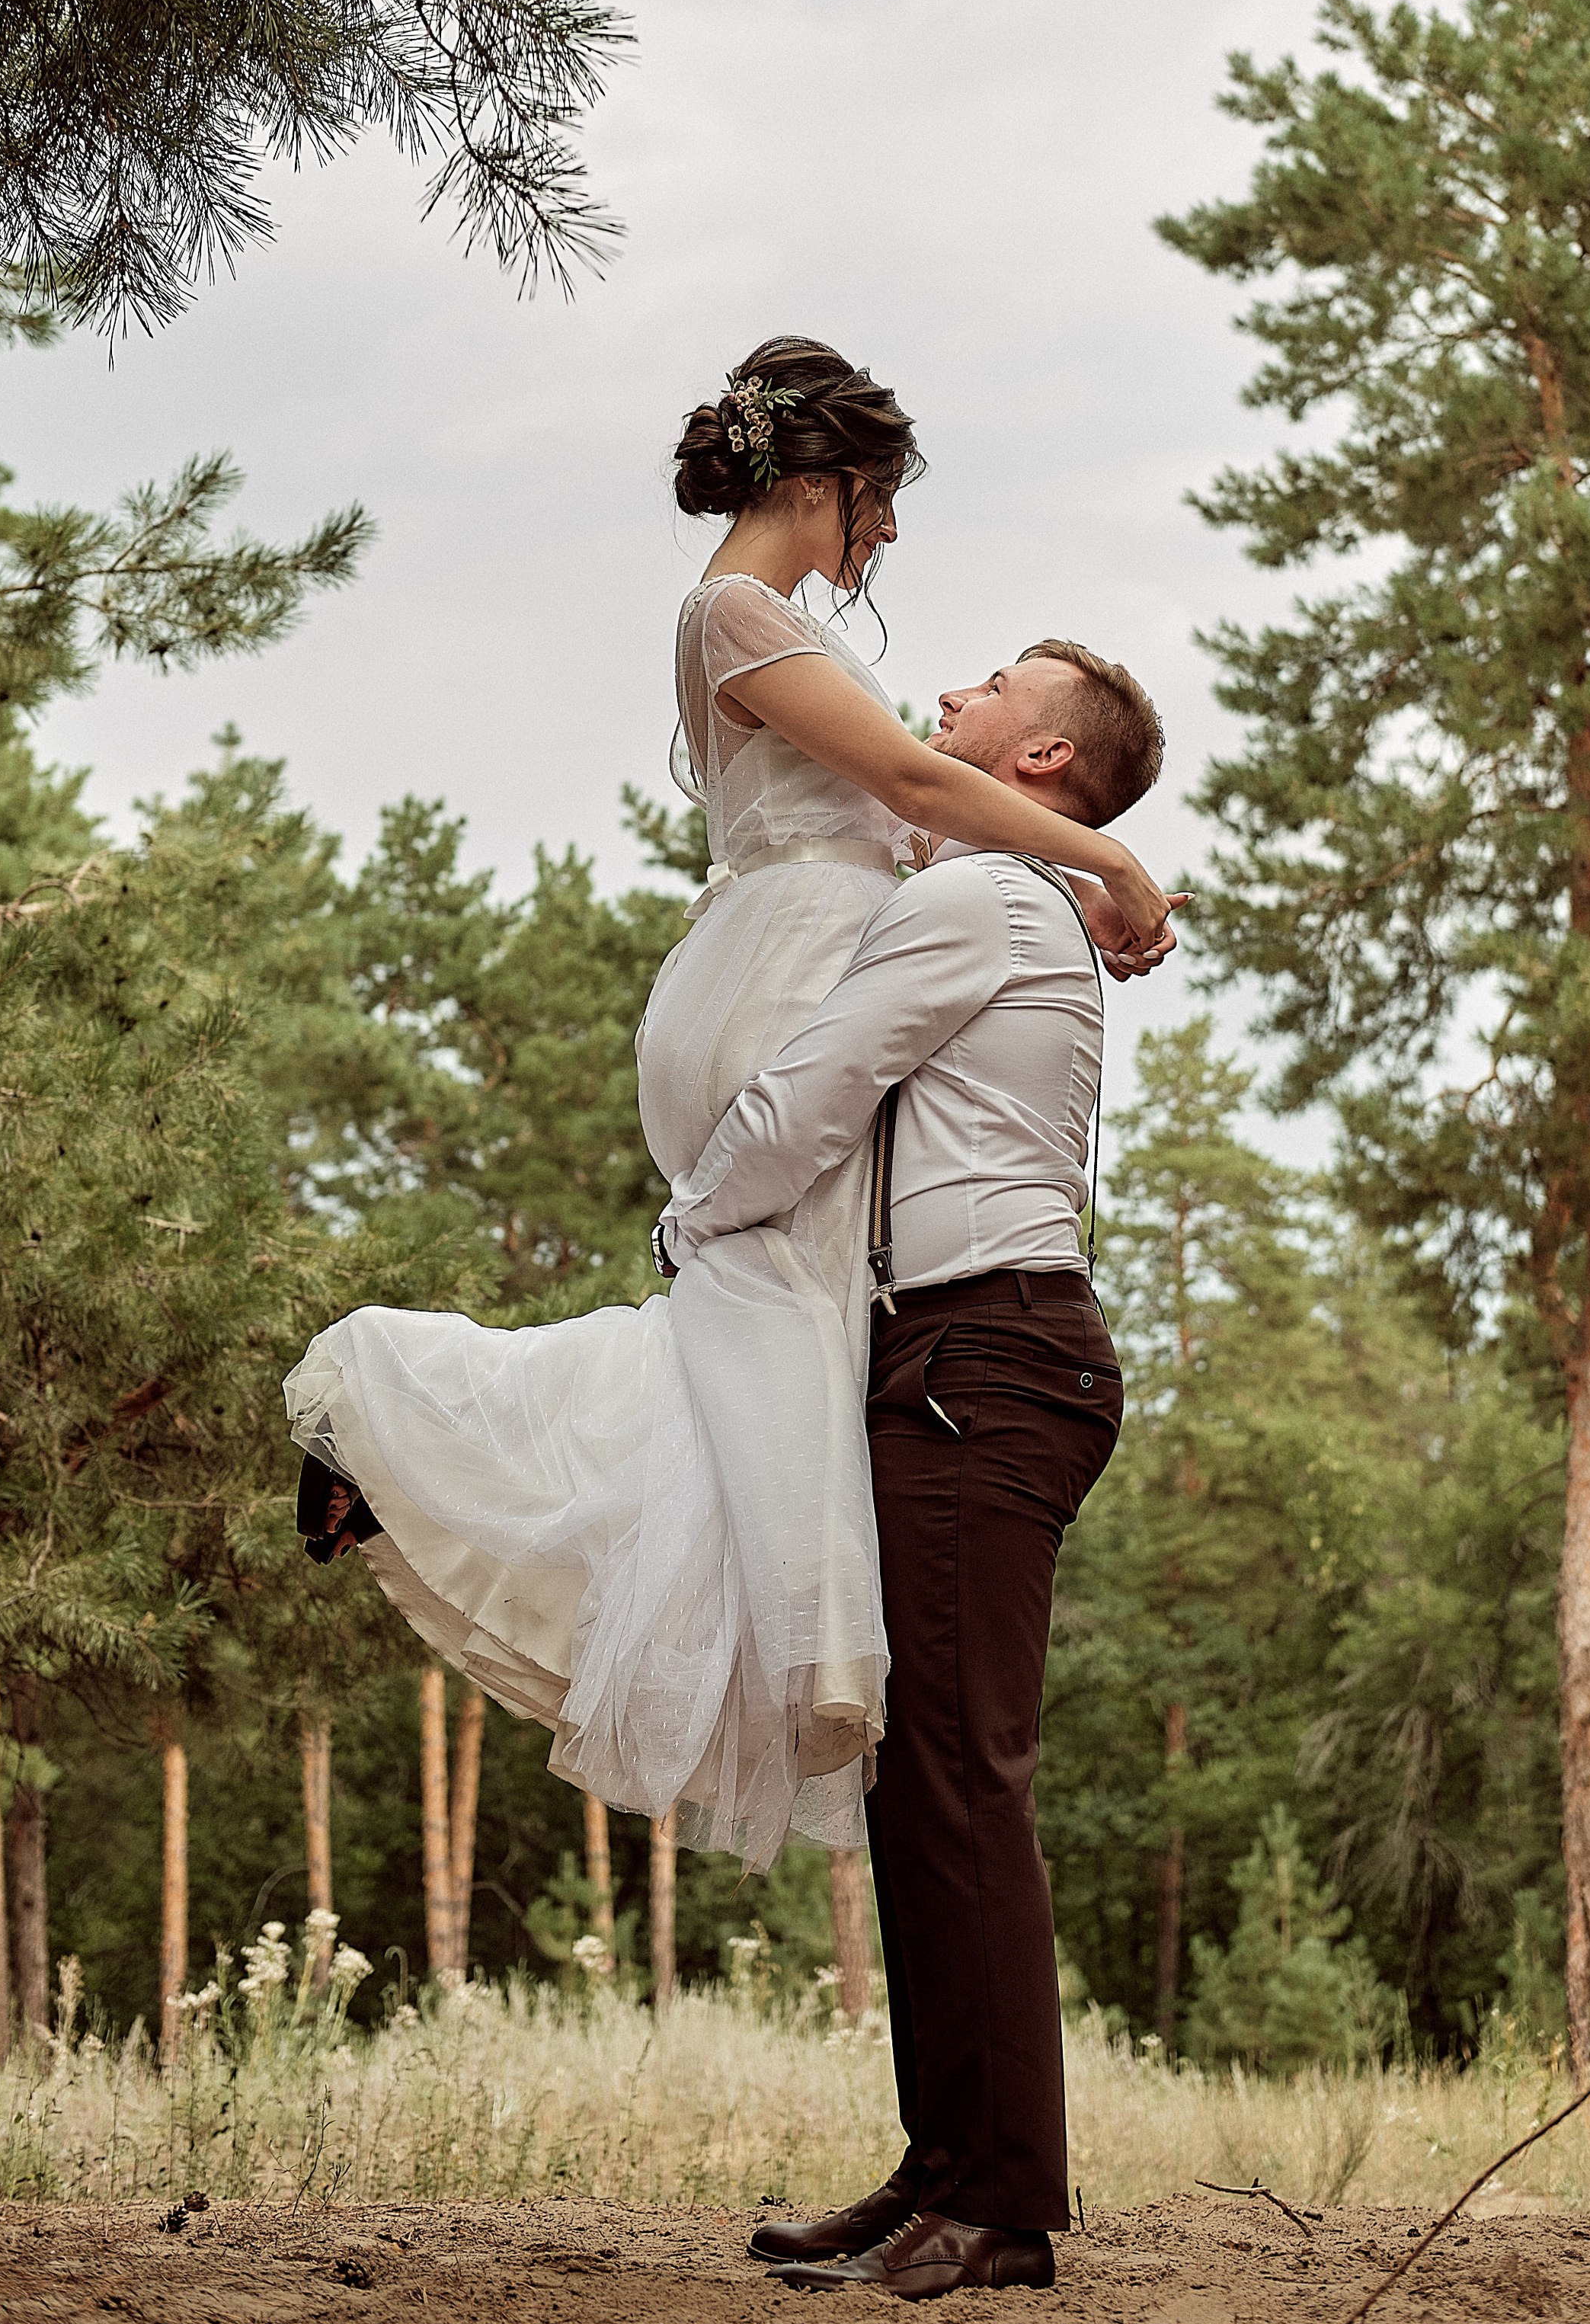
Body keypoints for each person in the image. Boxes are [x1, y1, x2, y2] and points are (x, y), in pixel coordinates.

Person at [286, 337, 1176, 1872]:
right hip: (773, 972)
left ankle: (657, 1565)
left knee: (743, 1331)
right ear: (821, 485)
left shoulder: (765, 623)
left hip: (782, 954)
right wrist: (1113, 863)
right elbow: (905, 785)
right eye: (878, 504)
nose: (884, 538)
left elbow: (902, 807)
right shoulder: (732, 612)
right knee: (776, 1302)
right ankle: (787, 1640)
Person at [654, 640, 1166, 2297]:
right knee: (919, 1781)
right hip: (965, 1362)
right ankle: (942, 2166)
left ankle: (1000, 2206)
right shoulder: (1009, 898)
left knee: (958, 1782)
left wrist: (689, 1216)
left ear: (1036, 764)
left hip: (978, 1362)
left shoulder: (983, 900)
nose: (946, 691)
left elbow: (810, 1096)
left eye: (990, 686)